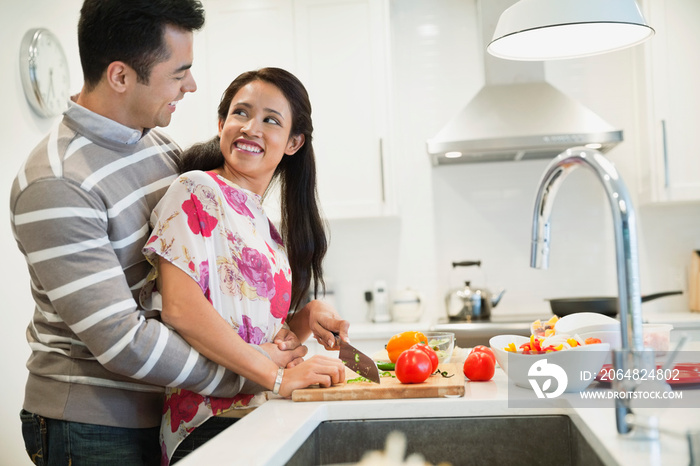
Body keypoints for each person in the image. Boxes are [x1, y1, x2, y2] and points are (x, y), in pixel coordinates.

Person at [10, 1, 348, 464]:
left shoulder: (157, 146)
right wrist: (254, 374)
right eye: (179, 72)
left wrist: (289, 332)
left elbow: (221, 304)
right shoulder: (57, 181)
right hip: (92, 424)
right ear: (121, 76)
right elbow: (123, 340)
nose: (191, 85)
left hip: (166, 407)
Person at [140, 67, 347, 464]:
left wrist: (305, 319)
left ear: (293, 142)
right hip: (206, 423)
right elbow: (181, 310)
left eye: (271, 120)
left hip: (257, 413)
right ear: (221, 125)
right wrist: (280, 378)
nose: (251, 128)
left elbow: (257, 332)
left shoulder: (268, 231)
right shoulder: (196, 190)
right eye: (241, 113)